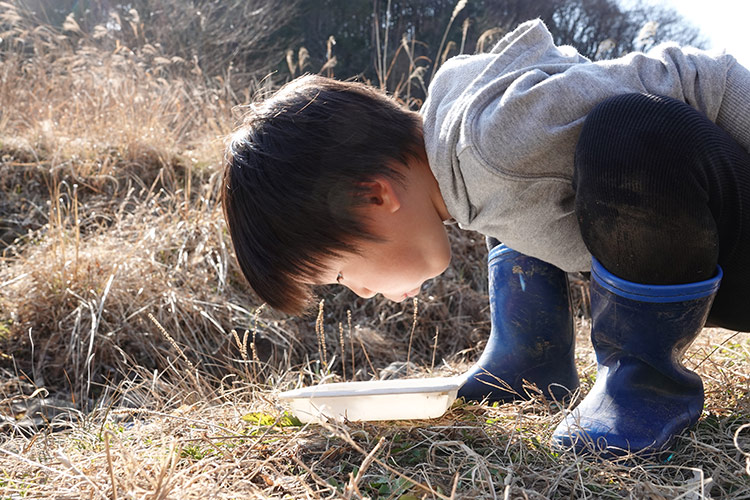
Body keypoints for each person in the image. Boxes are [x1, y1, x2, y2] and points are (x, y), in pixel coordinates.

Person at [221, 19, 750, 456]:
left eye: (339, 274)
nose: (359, 291)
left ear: (374, 197)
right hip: (717, 258)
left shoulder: (496, 140)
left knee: (629, 132)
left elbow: (697, 76)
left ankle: (645, 384)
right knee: (509, 188)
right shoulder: (465, 170)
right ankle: (530, 359)